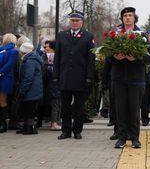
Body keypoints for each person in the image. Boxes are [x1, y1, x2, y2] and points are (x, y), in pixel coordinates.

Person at [53, 11, 95, 140]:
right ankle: (66, 130)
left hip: (80, 77)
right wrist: (56, 75)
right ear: (69, 21)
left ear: (82, 22)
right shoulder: (61, 36)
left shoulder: (88, 36)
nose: (74, 23)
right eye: (72, 20)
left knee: (79, 107)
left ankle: (77, 130)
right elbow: (57, 57)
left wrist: (89, 77)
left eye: (77, 21)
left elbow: (90, 59)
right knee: (64, 107)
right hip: (65, 76)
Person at [108, 7, 146, 149]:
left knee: (134, 110)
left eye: (130, 15)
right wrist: (115, 57)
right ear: (122, 18)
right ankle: (121, 138)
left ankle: (135, 138)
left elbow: (148, 57)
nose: (127, 18)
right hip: (119, 79)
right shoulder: (115, 34)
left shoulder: (141, 34)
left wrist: (135, 58)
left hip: (135, 78)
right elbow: (108, 56)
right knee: (121, 109)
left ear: (134, 18)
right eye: (125, 15)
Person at [17, 42, 43, 135]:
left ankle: (30, 128)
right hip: (33, 88)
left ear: (24, 51)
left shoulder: (30, 60)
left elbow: (28, 77)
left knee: (29, 110)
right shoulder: (31, 58)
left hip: (31, 89)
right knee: (27, 109)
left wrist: (23, 90)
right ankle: (26, 127)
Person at [0, 33, 19, 133]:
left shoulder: (13, 51)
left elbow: (9, 65)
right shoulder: (2, 49)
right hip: (3, 76)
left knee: (2, 100)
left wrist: (0, 72)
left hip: (5, 77)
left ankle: (3, 124)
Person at [43, 40, 61, 130]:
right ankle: (54, 122)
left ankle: (56, 121)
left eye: (47, 47)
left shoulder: (53, 57)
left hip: (55, 84)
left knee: (57, 105)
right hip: (53, 85)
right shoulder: (47, 57)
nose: (45, 48)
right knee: (55, 105)